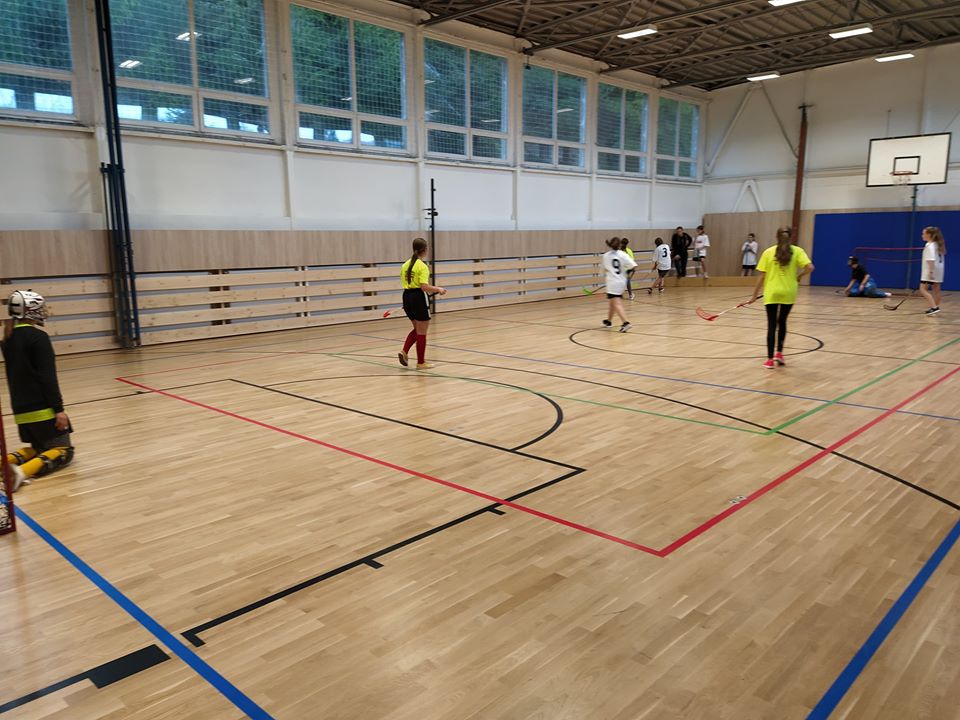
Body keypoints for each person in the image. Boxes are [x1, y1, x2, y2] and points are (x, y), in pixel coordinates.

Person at [2, 291, 74, 492]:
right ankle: (20, 472)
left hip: (20, 410)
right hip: (41, 409)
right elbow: (47, 378)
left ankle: (4, 464)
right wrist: (58, 410)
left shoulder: (7, 339)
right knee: (64, 451)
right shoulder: (38, 337)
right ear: (30, 310)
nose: (43, 311)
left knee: (39, 449)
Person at [748, 227, 814, 369]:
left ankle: (770, 360)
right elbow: (810, 267)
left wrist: (754, 295)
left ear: (776, 237)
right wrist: (799, 276)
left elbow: (762, 276)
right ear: (791, 237)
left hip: (772, 292)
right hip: (789, 292)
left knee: (772, 325)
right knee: (782, 321)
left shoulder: (768, 252)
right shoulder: (798, 251)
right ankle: (779, 353)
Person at [397, 238, 446, 370]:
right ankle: (421, 363)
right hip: (418, 297)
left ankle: (404, 351)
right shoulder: (422, 266)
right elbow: (424, 287)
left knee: (417, 329)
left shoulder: (405, 265)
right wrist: (438, 289)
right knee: (422, 332)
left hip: (406, 296)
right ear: (425, 250)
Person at [602, 237, 636, 332]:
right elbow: (634, 265)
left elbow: (605, 269)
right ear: (619, 245)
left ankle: (626, 323)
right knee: (612, 303)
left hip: (612, 283)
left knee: (616, 303)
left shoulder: (606, 255)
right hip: (621, 282)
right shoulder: (623, 254)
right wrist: (626, 272)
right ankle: (609, 321)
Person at [919, 226, 946, 315]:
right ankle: (935, 307)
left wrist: (930, 272)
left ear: (929, 235)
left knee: (922, 289)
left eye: (923, 233)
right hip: (939, 270)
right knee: (936, 289)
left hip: (930, 270)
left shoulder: (929, 245)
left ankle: (934, 307)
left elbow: (931, 260)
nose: (922, 235)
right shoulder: (938, 245)